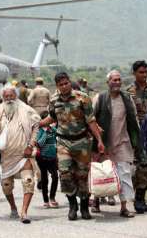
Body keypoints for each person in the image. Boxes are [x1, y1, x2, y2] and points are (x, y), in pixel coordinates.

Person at [40, 72, 104, 221]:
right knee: (65, 174)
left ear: (70, 82)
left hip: (82, 142)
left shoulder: (83, 98)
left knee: (82, 175)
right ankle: (72, 205)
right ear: (57, 86)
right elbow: (52, 117)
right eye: (61, 84)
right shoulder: (54, 100)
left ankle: (84, 206)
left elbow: (91, 121)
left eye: (66, 83)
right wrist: (40, 123)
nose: (64, 86)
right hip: (63, 143)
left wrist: (99, 140)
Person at [92, 70, 142, 218]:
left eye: (119, 80)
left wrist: (135, 140)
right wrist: (97, 140)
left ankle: (124, 207)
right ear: (108, 82)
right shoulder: (100, 98)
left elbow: (133, 120)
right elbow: (92, 119)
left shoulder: (126, 98)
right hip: (104, 143)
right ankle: (95, 200)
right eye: (114, 80)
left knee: (124, 175)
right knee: (102, 174)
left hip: (123, 143)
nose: (117, 83)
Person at [0, 83, 40, 224]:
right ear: (2, 97)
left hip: (24, 153)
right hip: (7, 156)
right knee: (6, 185)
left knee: (28, 181)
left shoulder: (26, 110)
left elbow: (36, 126)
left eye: (11, 95)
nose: (9, 98)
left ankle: (24, 212)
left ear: (16, 95)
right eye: (6, 96)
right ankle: (13, 207)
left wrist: (31, 145)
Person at [126, 60, 147, 214]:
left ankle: (141, 198)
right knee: (141, 166)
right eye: (140, 72)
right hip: (135, 135)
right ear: (134, 73)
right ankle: (137, 199)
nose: (144, 75)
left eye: (146, 72)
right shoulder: (128, 91)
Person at [36, 111, 59, 209]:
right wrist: (45, 133)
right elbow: (39, 144)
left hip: (52, 157)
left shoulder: (53, 130)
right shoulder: (40, 130)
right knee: (44, 179)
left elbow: (58, 138)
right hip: (42, 158)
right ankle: (46, 201)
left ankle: (52, 197)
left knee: (55, 176)